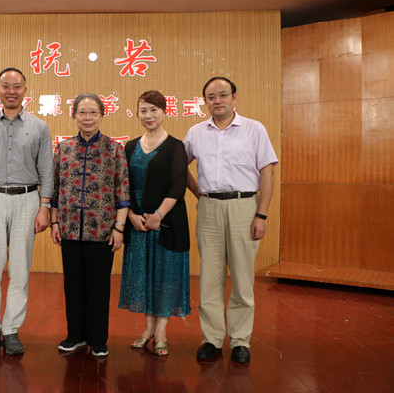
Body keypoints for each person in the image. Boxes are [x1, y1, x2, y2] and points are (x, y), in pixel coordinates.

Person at [184, 76, 278, 364]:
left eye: (223, 95)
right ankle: (211, 339)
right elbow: (178, 166)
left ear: (234, 97)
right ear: (205, 102)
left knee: (242, 276)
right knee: (210, 277)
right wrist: (198, 192)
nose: (217, 101)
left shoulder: (254, 129)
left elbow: (267, 173)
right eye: (211, 97)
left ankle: (240, 340)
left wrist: (261, 214)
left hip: (244, 207)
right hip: (209, 208)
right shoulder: (196, 132)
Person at [0, 67, 54, 356]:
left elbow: (47, 170)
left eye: (17, 86)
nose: (11, 91)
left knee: (19, 270)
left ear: (25, 90)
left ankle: (11, 329)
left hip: (27, 200)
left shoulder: (39, 127)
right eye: (6, 85)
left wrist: (44, 207)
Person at [49, 93, 130, 358]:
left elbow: (123, 192)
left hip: (102, 230)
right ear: (73, 115)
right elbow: (55, 189)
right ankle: (75, 335)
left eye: (93, 112)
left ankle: (97, 339)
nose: (87, 117)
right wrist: (54, 222)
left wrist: (119, 228)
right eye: (82, 112)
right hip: (69, 228)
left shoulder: (114, 149)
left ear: (102, 115)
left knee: (99, 286)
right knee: (73, 285)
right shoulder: (63, 148)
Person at [118, 90, 191, 357]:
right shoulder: (129, 147)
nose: (148, 115)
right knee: (144, 275)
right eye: (143, 110)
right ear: (137, 114)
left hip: (168, 223)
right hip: (137, 223)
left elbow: (178, 185)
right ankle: (148, 329)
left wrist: (158, 215)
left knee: (166, 275)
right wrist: (131, 216)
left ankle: (161, 331)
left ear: (164, 111)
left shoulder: (176, 146)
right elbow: (122, 186)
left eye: (153, 110)